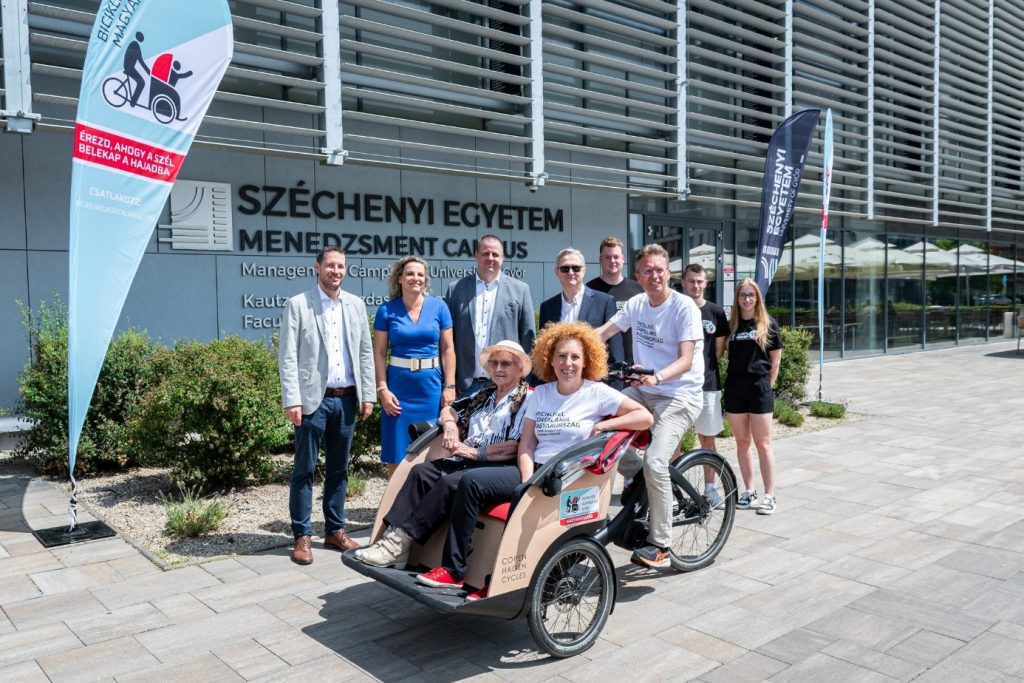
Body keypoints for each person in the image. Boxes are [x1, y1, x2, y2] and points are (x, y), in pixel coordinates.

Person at [415, 322, 652, 593]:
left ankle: (497, 582)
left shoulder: (597, 393)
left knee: (503, 494)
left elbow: (645, 417)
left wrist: (604, 426)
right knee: (471, 482)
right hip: (536, 470)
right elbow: (527, 444)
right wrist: (527, 481)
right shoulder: (542, 394)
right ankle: (454, 570)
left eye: (575, 357)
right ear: (550, 360)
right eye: (561, 356)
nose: (568, 363)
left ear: (586, 360)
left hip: (568, 477)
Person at [354, 341, 532, 591]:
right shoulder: (485, 393)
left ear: (520, 369)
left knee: (451, 482)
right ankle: (395, 543)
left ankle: (399, 543)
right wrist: (449, 426)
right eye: (494, 363)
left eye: (506, 363)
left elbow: (514, 446)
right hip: (468, 459)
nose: (498, 368)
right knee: (421, 472)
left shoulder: (527, 399)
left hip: (500, 464)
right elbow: (449, 409)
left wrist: (472, 451)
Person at [597, 243, 704, 568]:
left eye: (659, 270)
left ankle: (661, 545)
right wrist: (572, 349)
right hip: (644, 389)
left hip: (680, 393)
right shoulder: (636, 304)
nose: (654, 275)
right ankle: (635, 474)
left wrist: (658, 377)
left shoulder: (684, 307)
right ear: (638, 276)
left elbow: (686, 360)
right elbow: (604, 332)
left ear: (668, 273)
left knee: (656, 462)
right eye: (648, 271)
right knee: (597, 424)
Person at [279, 247, 375, 565]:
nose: (336, 271)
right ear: (317, 267)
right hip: (312, 401)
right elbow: (288, 356)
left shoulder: (356, 305)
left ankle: (335, 531)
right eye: (330, 265)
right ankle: (302, 535)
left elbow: (364, 352)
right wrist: (292, 399)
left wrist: (367, 394)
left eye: (341, 266)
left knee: (339, 470)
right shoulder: (298, 304)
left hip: (346, 399)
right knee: (304, 470)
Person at [374, 256, 456, 478]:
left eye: (420, 274)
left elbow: (448, 349)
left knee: (432, 450)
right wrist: (382, 389)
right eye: (410, 274)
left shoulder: (439, 307)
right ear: (399, 278)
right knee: (396, 451)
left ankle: (430, 498)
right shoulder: (386, 310)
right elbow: (379, 352)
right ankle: (394, 499)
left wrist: (449, 386)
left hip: (430, 389)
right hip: (398, 391)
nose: (415, 278)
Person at [445, 235, 536, 397]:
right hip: (465, 386)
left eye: (495, 254)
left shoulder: (520, 290)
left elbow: (528, 341)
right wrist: (450, 383)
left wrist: (525, 382)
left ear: (502, 257)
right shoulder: (456, 289)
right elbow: (447, 340)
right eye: (485, 253)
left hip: (506, 384)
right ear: (476, 255)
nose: (490, 258)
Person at [725, 278, 783, 515]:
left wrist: (767, 386)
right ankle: (750, 491)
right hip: (735, 388)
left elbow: (775, 361)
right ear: (737, 299)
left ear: (757, 297)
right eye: (743, 295)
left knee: (763, 443)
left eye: (751, 295)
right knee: (742, 442)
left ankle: (770, 495)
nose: (747, 299)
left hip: (759, 388)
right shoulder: (732, 325)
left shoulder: (768, 324)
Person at [681, 263, 730, 508]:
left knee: (707, 440)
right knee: (674, 440)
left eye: (699, 281)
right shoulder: (676, 308)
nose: (695, 285)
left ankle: (710, 490)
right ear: (683, 282)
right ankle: (673, 492)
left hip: (708, 384)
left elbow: (718, 351)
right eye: (691, 281)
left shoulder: (716, 312)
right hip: (679, 386)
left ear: (706, 283)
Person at [538, 248, 622, 365]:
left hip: (594, 375)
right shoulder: (547, 307)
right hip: (558, 375)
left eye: (576, 268)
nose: (570, 272)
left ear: (584, 270)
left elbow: (615, 350)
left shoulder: (605, 302)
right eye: (565, 268)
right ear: (557, 272)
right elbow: (544, 351)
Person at [587, 236, 643, 365]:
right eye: (607, 257)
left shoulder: (638, 289)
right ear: (600, 260)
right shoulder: (589, 291)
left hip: (634, 364)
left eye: (616, 257)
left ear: (622, 259)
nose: (612, 261)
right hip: (600, 364)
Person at [123, 32, 150, 107]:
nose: (142, 39)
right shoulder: (134, 45)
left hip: (130, 67)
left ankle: (133, 101)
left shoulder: (136, 46)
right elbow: (139, 60)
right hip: (129, 67)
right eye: (141, 37)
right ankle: (133, 103)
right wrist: (148, 72)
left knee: (141, 82)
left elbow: (141, 61)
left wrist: (149, 72)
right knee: (141, 83)